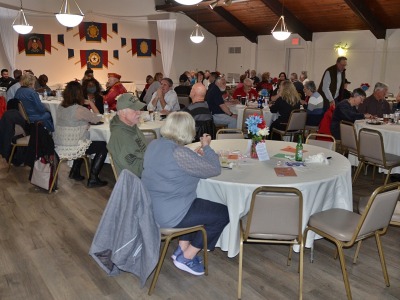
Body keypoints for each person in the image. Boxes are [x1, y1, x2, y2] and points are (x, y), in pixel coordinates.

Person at [141, 111, 229, 276]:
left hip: (150, 206)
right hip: (169, 213)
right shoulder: (180, 152)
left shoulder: (154, 145)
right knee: (222, 213)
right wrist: (207, 147)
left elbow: (172, 166)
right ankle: (187, 256)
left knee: (194, 202)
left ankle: (181, 248)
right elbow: (214, 169)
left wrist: (194, 157)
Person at [54, 81, 108, 187]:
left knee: (82, 141)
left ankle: (75, 172)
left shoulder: (60, 107)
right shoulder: (80, 109)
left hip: (59, 143)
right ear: (79, 94)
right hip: (74, 145)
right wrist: (91, 103)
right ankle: (93, 178)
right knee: (102, 146)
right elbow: (98, 118)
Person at [107, 93, 147, 177]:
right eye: (134, 110)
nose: (139, 112)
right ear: (122, 113)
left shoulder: (132, 125)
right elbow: (135, 170)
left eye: (139, 109)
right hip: (137, 182)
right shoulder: (120, 137)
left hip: (146, 170)